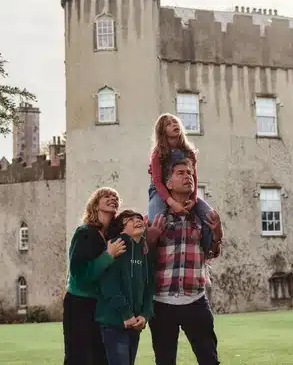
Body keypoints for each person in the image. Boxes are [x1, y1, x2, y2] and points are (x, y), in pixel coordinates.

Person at [146, 157, 224, 365]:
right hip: (162, 303)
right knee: (165, 361)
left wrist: (216, 234)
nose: (187, 176)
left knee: (209, 360)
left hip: (196, 301)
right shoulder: (155, 217)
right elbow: (142, 256)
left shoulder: (201, 217)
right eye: (180, 173)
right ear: (168, 184)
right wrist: (151, 238)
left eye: (189, 173)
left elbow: (212, 253)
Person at [64, 187, 127, 365]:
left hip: (103, 307)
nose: (112, 198)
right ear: (95, 204)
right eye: (106, 196)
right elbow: (79, 274)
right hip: (79, 305)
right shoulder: (84, 233)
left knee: (102, 358)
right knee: (79, 358)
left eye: (115, 197)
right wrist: (108, 255)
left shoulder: (113, 236)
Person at [96, 209, 155, 365]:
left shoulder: (146, 250)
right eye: (130, 219)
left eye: (139, 217)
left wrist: (145, 315)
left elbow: (150, 288)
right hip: (114, 322)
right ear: (121, 228)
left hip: (134, 323)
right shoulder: (116, 245)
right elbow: (109, 286)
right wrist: (126, 314)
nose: (137, 220)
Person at [147, 113, 213, 249]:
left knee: (209, 216)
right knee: (155, 221)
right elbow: (158, 181)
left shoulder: (189, 152)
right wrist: (171, 202)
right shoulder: (158, 153)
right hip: (160, 191)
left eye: (175, 122)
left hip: (185, 191)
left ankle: (207, 250)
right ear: (162, 131)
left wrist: (193, 200)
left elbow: (194, 178)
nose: (174, 125)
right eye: (169, 124)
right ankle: (154, 255)